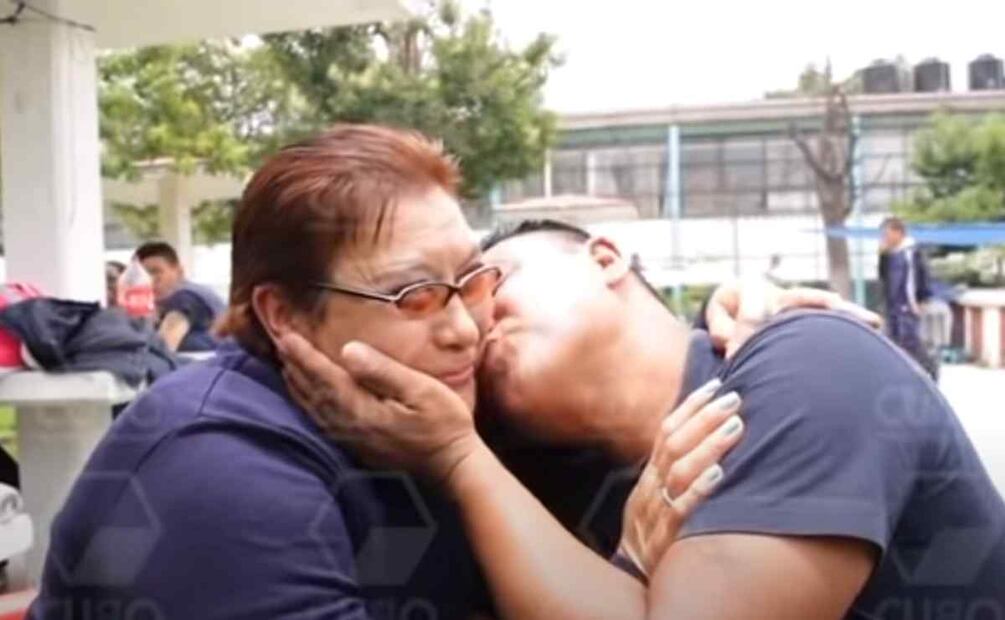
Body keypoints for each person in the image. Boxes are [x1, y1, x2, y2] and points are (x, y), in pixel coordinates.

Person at [28, 126, 745, 620]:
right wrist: (625, 571)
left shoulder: (433, 408)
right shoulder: (217, 467)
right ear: (284, 314)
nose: (465, 328)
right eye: (414, 296)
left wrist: (760, 321)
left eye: (471, 281)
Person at [281, 218, 1005, 619]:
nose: (472, 321)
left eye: (492, 282)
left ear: (604, 258)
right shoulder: (535, 491)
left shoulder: (807, 363)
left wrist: (460, 458)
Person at [134, 241, 226, 353]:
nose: (149, 280)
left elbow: (162, 348)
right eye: (141, 275)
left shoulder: (186, 298)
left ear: (179, 272)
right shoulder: (164, 303)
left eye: (156, 272)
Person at [878, 217, 937, 378]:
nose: (885, 238)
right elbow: (883, 278)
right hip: (893, 305)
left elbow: (920, 276)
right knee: (894, 340)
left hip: (907, 304)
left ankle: (927, 372)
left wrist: (920, 300)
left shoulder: (911, 252)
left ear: (898, 233)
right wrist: (883, 256)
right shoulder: (890, 254)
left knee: (910, 341)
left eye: (887, 234)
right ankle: (900, 374)